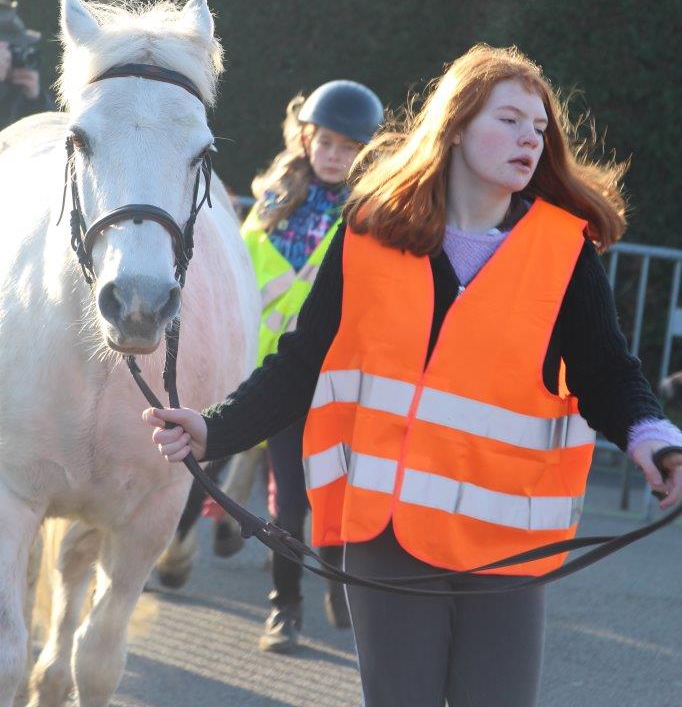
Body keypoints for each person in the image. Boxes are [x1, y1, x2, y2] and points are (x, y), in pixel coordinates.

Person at [144, 45, 682, 707]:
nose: (530, 139)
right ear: (455, 125)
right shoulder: (369, 233)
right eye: (510, 120)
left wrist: (653, 437)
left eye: (540, 129)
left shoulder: (564, 252)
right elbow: (302, 361)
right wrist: (212, 429)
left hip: (507, 548)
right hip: (389, 536)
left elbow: (609, 373)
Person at [206, 79, 384, 653]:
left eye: (348, 147)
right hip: (277, 374)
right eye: (325, 142)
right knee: (291, 500)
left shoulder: (373, 214)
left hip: (342, 380)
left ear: (364, 153)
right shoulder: (273, 203)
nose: (333, 156)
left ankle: (334, 577)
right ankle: (285, 609)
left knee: (336, 495)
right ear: (308, 138)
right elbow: (243, 278)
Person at [0, 0, 53, 130]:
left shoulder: (15, 87)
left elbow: (49, 136)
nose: (9, 56)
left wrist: (36, 100)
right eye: (8, 48)